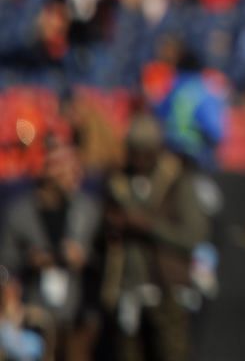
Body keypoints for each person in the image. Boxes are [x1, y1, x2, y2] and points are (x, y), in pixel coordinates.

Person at [98, 116, 210, 361]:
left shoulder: (178, 180)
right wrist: (113, 225)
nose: (138, 160)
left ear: (157, 151)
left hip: (167, 290)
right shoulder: (117, 182)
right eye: (134, 153)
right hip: (127, 288)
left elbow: (193, 236)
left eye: (145, 153)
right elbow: (101, 238)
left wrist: (149, 226)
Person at [0, 144, 100, 360]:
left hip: (78, 312)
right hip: (36, 313)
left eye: (76, 168)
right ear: (47, 171)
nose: (75, 175)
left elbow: (104, 256)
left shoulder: (86, 210)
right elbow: (5, 263)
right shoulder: (20, 213)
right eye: (65, 168)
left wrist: (84, 258)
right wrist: (30, 261)